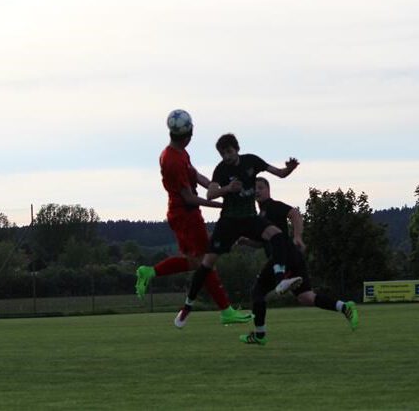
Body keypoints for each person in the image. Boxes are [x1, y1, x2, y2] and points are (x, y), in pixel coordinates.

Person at [134, 110, 253, 327]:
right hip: (185, 215)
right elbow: (189, 198)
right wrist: (220, 201)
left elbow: (196, 175)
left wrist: (216, 186)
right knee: (207, 260)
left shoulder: (178, 153)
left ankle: (150, 272)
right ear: (190, 133)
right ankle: (225, 310)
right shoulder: (172, 160)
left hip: (182, 214)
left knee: (195, 262)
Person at [174, 133, 303, 328]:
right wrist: (228, 189)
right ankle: (187, 307)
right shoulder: (221, 170)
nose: (226, 156)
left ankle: (281, 280)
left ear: (237, 149)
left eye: (229, 151)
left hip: (250, 218)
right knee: (206, 264)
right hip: (229, 222)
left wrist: (290, 169)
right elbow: (210, 194)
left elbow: (280, 174)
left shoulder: (252, 161)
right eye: (222, 153)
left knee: (276, 235)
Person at [238, 177, 359, 346]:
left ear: (268, 190)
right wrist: (247, 242)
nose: (257, 191)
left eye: (261, 187)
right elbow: (262, 242)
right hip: (293, 256)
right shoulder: (262, 214)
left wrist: (297, 236)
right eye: (254, 188)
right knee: (306, 297)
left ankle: (259, 334)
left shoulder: (271, 206)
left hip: (283, 257)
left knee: (258, 292)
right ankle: (344, 307)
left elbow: (294, 213)